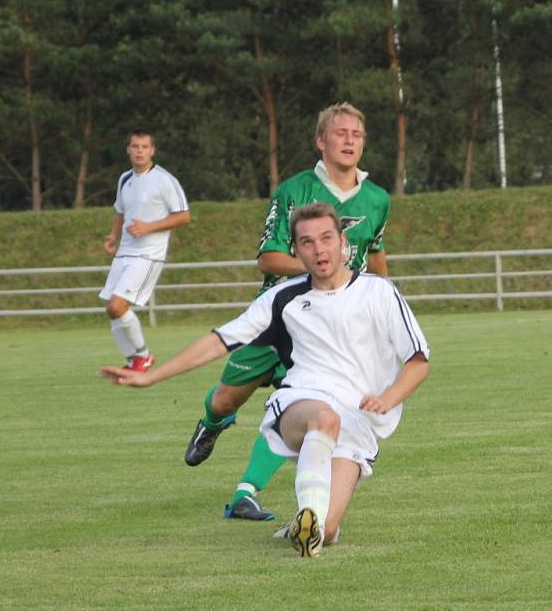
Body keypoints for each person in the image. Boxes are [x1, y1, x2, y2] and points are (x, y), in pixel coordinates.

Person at [100, 203, 429, 559]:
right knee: (324, 419)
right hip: (302, 402)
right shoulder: (282, 298)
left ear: (341, 242)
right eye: (307, 242)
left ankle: (307, 525)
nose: (318, 249)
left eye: (326, 238)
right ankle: (309, 516)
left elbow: (418, 360)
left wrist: (389, 397)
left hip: (358, 421)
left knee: (328, 531)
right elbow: (219, 340)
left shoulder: (378, 292)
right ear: (296, 250)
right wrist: (152, 377)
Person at [184, 102, 391, 523]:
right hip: (281, 318)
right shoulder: (294, 191)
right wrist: (321, 267)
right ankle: (213, 421)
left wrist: (383, 303)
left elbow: (376, 254)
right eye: (340, 133)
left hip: (331, 326)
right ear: (321, 140)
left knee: (302, 403)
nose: (350, 140)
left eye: (357, 134)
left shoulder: (377, 199)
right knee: (225, 399)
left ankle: (247, 493)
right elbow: (269, 258)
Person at [99, 129, 190, 370]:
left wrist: (149, 227)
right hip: (124, 253)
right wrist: (113, 236)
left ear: (152, 151)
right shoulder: (125, 179)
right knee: (112, 309)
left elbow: (183, 216)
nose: (139, 151)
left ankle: (143, 356)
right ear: (128, 149)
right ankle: (134, 360)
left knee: (117, 306)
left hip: (148, 255)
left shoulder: (164, 180)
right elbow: (120, 210)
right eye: (135, 146)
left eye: (144, 147)